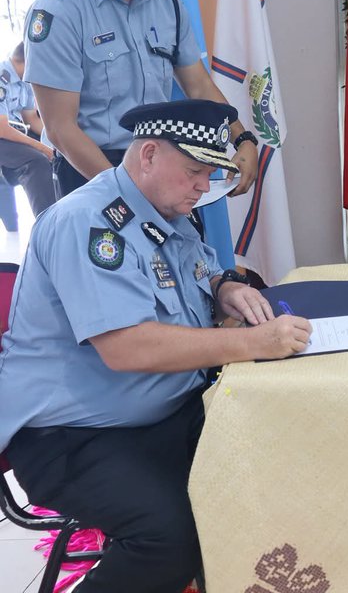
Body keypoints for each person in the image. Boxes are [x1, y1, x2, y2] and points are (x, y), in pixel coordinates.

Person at [0, 98, 312, 593]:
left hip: (164, 412)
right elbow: (128, 348)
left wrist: (225, 287)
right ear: (148, 155)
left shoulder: (166, 208)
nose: (203, 186)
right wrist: (253, 342)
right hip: (73, 434)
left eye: (211, 173)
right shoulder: (89, 223)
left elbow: (199, 271)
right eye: (194, 170)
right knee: (169, 539)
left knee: (278, 464)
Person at [23, 0, 259, 198]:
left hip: (161, 164)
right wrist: (129, 192)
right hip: (92, 172)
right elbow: (60, 129)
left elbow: (198, 85)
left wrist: (242, 140)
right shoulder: (59, 11)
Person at [0, 42, 55, 216]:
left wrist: (55, 139)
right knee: (37, 161)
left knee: (60, 153)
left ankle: (63, 213)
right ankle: (46, 224)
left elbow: (30, 118)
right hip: (3, 135)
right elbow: (3, 129)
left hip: (16, 132)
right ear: (30, 60)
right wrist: (42, 148)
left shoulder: (25, 79)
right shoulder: (3, 78)